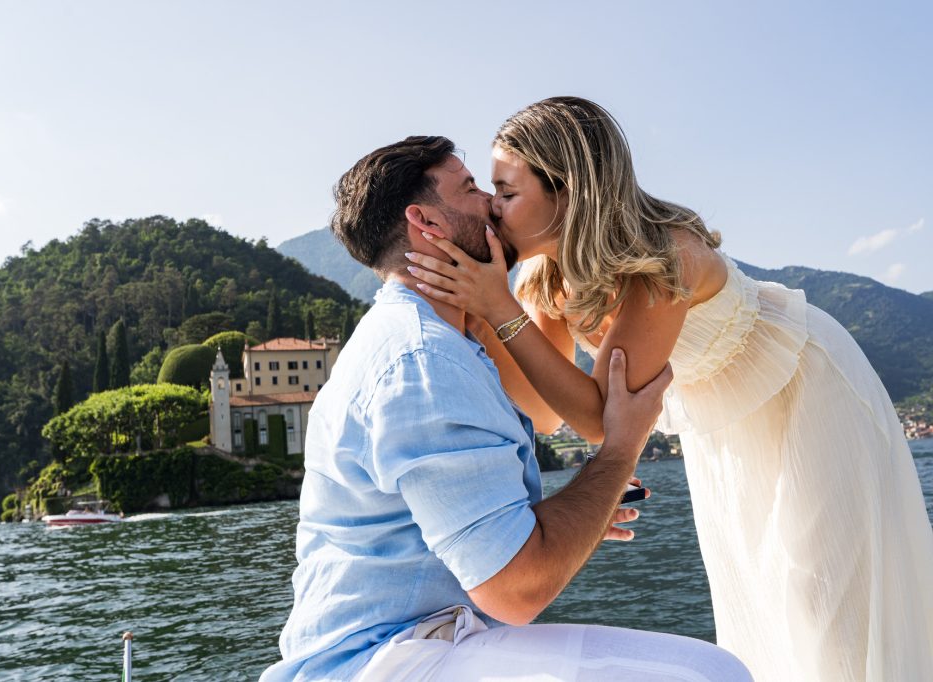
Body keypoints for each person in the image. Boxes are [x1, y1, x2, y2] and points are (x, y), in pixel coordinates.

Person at [405, 97, 933, 681]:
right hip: (725, 420)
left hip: (805, 394)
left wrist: (498, 309)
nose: (494, 211)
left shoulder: (668, 256)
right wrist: (478, 314)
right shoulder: (543, 275)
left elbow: (606, 420)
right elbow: (544, 410)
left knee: (824, 594)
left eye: (507, 193)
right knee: (760, 588)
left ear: (571, 193)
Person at [260, 136, 752, 681]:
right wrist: (620, 451)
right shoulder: (424, 361)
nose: (489, 204)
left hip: (416, 642)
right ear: (426, 222)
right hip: (384, 660)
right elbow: (516, 592)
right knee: (711, 675)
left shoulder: (431, 340)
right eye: (471, 188)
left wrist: (582, 508)